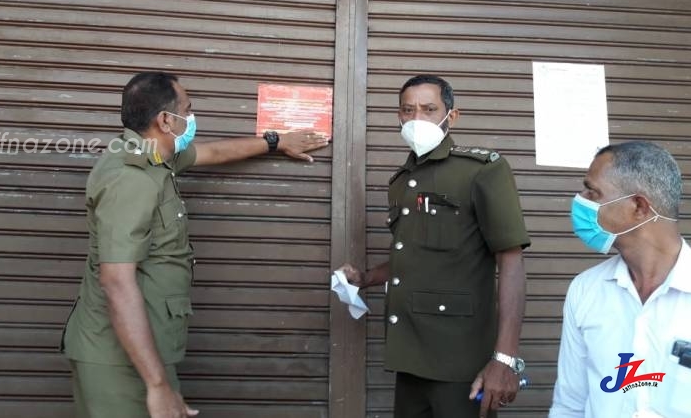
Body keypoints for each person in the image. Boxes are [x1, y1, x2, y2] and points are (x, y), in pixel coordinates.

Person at [61, 71, 329, 418]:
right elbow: (116, 282)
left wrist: (275, 141)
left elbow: (212, 152)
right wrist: (157, 386)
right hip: (118, 362)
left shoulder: (155, 154)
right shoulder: (131, 178)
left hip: (139, 353)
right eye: (187, 110)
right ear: (165, 120)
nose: (191, 118)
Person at [339, 74, 530, 418]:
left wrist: (504, 359)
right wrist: (365, 278)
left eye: (429, 109)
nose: (417, 119)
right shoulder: (399, 183)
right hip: (410, 354)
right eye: (407, 110)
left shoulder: (481, 170)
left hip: (461, 360)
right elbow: (413, 256)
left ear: (451, 116)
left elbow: (511, 262)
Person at [549, 141, 691, 418]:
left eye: (593, 192)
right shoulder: (586, 290)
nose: (581, 200)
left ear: (638, 206)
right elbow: (569, 405)